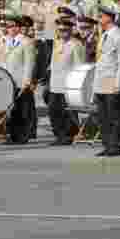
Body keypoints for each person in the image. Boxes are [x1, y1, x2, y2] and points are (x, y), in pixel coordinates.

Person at [93, 6, 120, 157]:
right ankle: (107, 144)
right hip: (102, 81)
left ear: (109, 17)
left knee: (116, 116)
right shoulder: (105, 35)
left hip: (113, 81)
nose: (99, 19)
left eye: (101, 16)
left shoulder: (119, 35)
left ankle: (116, 145)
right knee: (103, 116)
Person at [0, 13, 37, 143]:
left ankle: (21, 135)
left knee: (21, 108)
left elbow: (29, 63)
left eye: (12, 26)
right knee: (8, 108)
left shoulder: (26, 41)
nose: (9, 29)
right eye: (7, 26)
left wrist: (27, 80)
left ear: (18, 27)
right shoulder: (3, 40)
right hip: (5, 79)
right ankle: (10, 133)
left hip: (19, 80)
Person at [47, 17, 85, 145]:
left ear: (70, 30)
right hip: (55, 83)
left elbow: (79, 65)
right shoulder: (57, 43)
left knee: (67, 112)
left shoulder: (76, 44)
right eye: (59, 30)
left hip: (67, 83)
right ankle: (59, 134)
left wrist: (77, 83)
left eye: (64, 30)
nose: (62, 33)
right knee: (53, 110)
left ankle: (69, 135)